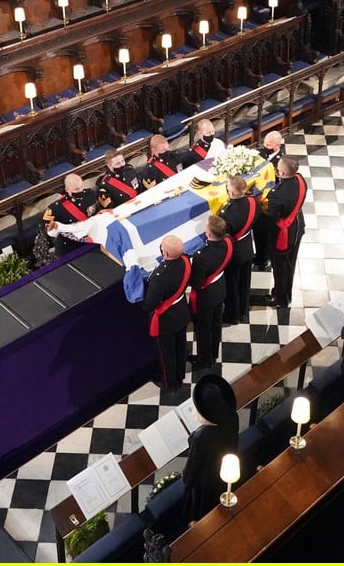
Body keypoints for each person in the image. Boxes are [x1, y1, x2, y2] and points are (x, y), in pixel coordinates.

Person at [180, 373, 239, 524]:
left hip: (206, 486)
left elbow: (189, 476)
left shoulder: (201, 438)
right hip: (225, 470)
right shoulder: (232, 417)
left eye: (196, 408)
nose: (193, 410)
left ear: (207, 414)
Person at [142, 235, 193, 393]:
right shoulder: (185, 260)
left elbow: (149, 304)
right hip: (181, 312)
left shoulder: (160, 277)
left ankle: (171, 383)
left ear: (166, 254)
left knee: (167, 354)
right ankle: (180, 373)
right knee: (180, 345)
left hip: (166, 320)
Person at [189, 215, 232, 371]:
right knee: (216, 325)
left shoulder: (201, 256)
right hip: (220, 290)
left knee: (203, 330)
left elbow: (196, 283)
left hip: (205, 298)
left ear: (208, 234)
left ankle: (204, 360)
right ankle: (213, 353)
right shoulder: (228, 241)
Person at [266, 156, 307, 309]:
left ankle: (281, 299)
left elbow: (271, 219)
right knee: (290, 264)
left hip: (282, 236)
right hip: (297, 227)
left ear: (282, 173)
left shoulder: (277, 194)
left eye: (278, 167)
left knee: (281, 269)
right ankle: (283, 293)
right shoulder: (300, 179)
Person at [219, 176, 258, 325]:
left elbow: (223, 233)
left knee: (232, 285)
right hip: (247, 248)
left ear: (232, 193)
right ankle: (243, 310)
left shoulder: (226, 214)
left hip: (234, 253)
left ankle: (232, 315)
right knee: (244, 282)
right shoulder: (253, 202)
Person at [251, 130, 285, 272]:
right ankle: (259, 255)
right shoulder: (263, 153)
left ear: (277, 145)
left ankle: (263, 258)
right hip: (258, 197)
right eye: (264, 143)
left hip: (269, 203)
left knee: (265, 233)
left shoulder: (281, 161)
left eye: (268, 144)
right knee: (258, 232)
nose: (264, 146)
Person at [43, 174, 97, 256]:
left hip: (92, 238)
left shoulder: (90, 194)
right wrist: (52, 229)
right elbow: (49, 231)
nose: (80, 190)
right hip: (70, 247)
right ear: (67, 189)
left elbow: (97, 212)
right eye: (76, 189)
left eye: (81, 187)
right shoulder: (56, 207)